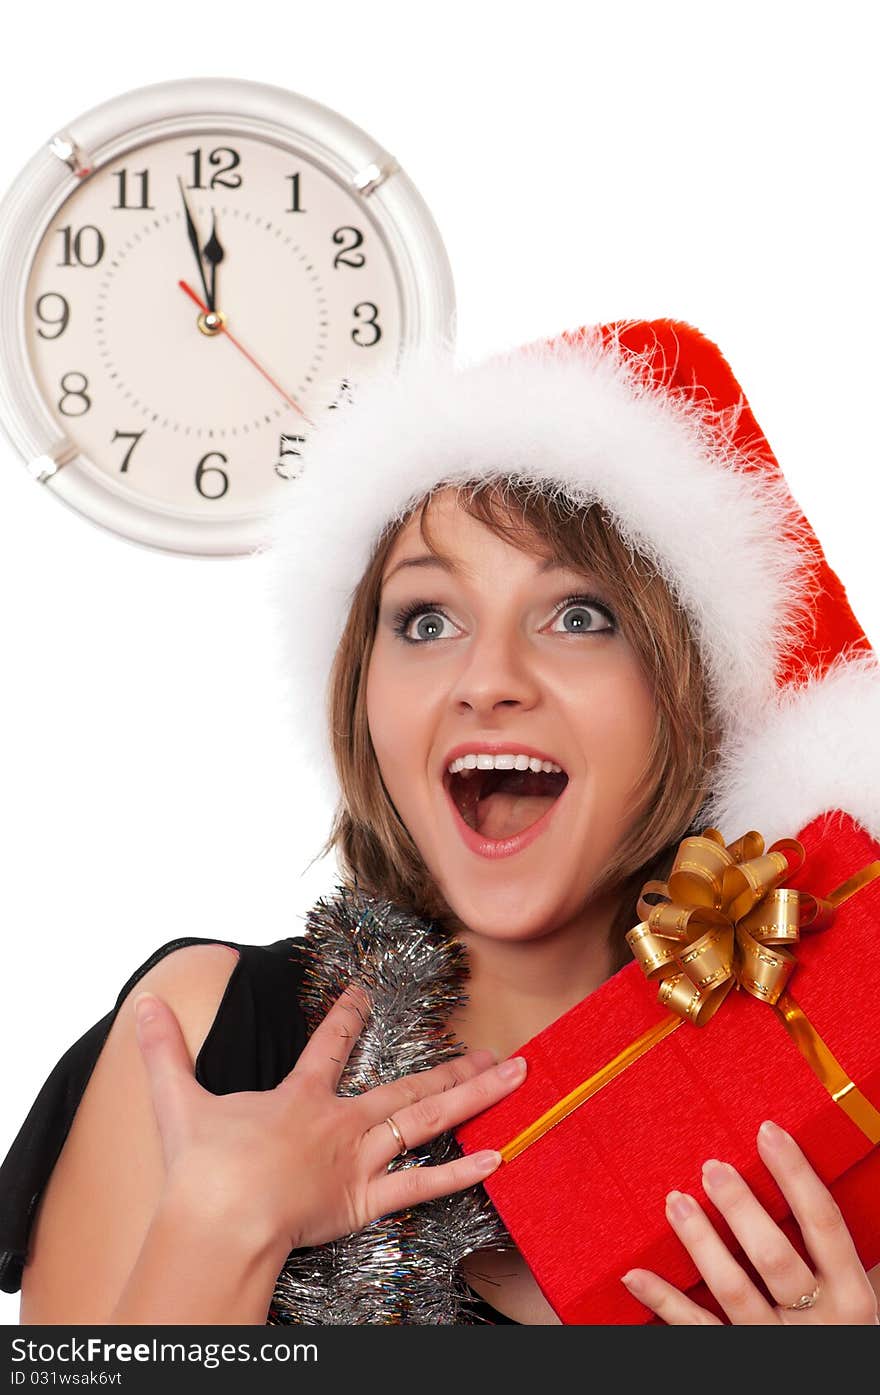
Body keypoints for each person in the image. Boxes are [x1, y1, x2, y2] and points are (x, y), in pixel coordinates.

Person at [1, 318, 878, 1325]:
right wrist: (217, 1227)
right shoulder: (201, 1038)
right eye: (426, 619)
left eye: (578, 616)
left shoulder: (825, 1117)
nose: (487, 680)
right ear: (363, 694)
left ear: (693, 697)